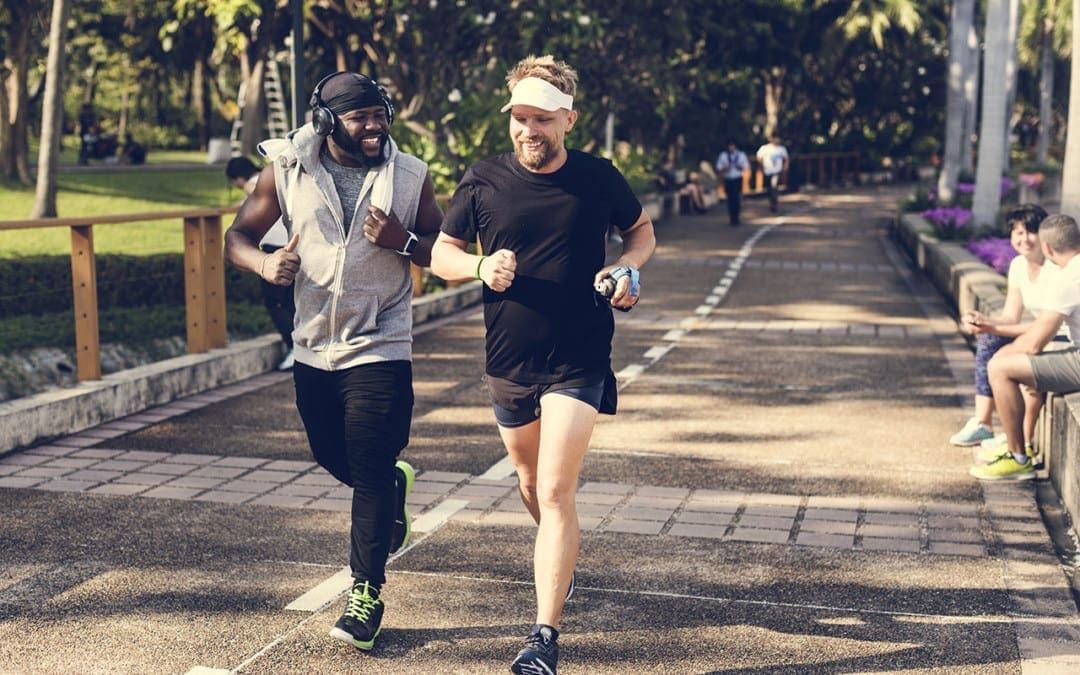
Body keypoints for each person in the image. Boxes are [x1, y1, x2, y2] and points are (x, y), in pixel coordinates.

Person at [430, 54, 656, 675]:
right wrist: (479, 266)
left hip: (579, 354)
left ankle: (543, 638)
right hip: (508, 359)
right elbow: (442, 254)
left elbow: (641, 232)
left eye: (542, 119)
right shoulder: (483, 181)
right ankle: (562, 559)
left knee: (555, 490)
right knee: (530, 486)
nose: (529, 130)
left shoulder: (597, 178)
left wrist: (627, 269)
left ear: (568, 121)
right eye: (520, 119)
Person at [223, 71, 444, 651]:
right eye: (359, 117)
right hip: (313, 344)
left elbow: (443, 252)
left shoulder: (411, 175)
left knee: (367, 468)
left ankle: (365, 595)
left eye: (379, 115)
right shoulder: (286, 169)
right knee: (329, 453)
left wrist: (403, 241)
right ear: (325, 121)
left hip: (381, 343)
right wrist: (265, 264)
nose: (374, 127)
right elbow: (237, 236)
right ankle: (392, 487)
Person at [970, 214, 1080, 481]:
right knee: (1021, 364)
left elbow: (1034, 342)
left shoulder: (1069, 278)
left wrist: (1005, 353)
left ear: (1048, 248)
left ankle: (1018, 456)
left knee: (1000, 367)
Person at [951, 205, 1058, 455]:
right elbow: (1010, 315)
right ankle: (982, 422)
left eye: (1031, 231)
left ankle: (1021, 442)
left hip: (1056, 337)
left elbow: (1045, 325)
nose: (1024, 239)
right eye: (1018, 233)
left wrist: (992, 326)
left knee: (1009, 356)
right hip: (1037, 332)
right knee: (989, 339)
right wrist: (984, 320)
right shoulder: (1019, 266)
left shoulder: (1055, 269)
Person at [225, 156, 296, 371]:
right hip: (294, 247)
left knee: (277, 304)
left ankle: (294, 347)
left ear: (237, 178)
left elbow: (250, 196)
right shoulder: (283, 180)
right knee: (293, 302)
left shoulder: (257, 185)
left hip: (274, 252)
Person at [715, 141, 750, 226]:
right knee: (730, 198)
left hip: (737, 178)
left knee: (736, 198)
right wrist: (725, 168)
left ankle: (736, 216)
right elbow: (718, 167)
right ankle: (732, 217)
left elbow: (746, 166)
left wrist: (739, 166)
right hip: (728, 178)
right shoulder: (723, 155)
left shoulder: (741, 155)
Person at [756, 132, 789, 213]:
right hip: (768, 171)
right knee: (769, 188)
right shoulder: (765, 148)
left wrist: (785, 168)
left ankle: (774, 203)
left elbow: (786, 159)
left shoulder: (781, 149)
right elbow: (759, 157)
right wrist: (762, 167)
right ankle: (772, 201)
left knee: (774, 186)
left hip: (776, 171)